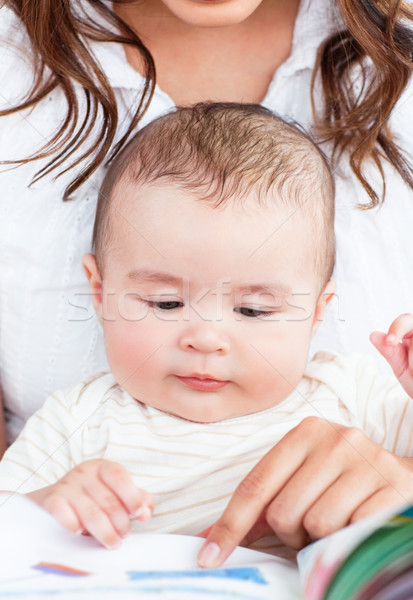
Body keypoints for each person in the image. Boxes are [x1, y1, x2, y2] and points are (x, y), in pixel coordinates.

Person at [1, 103, 413, 569]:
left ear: (318, 311)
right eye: (165, 303)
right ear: (100, 293)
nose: (207, 339)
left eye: (253, 309)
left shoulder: (350, 394)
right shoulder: (78, 418)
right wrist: (48, 506)